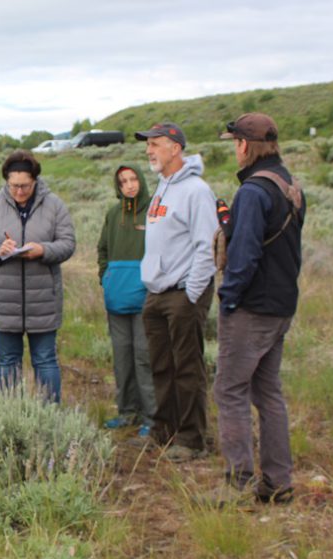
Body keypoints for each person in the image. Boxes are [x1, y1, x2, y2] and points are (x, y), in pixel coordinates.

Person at [210, 113, 305, 504]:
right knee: (267, 392)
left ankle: (239, 484)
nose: (234, 149)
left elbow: (245, 255)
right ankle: (278, 482)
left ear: (245, 145)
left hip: (252, 308)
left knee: (229, 391)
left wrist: (227, 298)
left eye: (234, 142)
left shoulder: (252, 190)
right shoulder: (289, 184)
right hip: (281, 305)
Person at [136, 122, 218, 463]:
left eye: (155, 144)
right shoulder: (163, 186)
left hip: (183, 291)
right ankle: (164, 429)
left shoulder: (196, 190)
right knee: (161, 365)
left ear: (175, 148)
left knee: (186, 367)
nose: (149, 150)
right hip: (157, 290)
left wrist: (191, 292)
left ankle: (191, 438)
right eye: (148, 145)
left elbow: (207, 246)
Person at [0, 150, 76, 403]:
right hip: (4, 301)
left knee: (46, 360)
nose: (19, 191)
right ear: (6, 181)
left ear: (35, 180)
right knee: (8, 362)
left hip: (44, 301)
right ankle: (12, 416)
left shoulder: (54, 205)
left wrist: (43, 250)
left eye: (25, 186)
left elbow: (68, 243)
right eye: (14, 186)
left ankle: (49, 416)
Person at [97, 165, 156, 437]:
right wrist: (106, 278)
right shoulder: (112, 214)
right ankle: (127, 412)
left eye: (133, 179)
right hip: (117, 297)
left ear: (141, 181)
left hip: (146, 297)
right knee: (122, 356)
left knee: (144, 357)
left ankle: (151, 418)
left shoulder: (154, 211)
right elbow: (103, 250)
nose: (129, 185)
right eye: (123, 181)